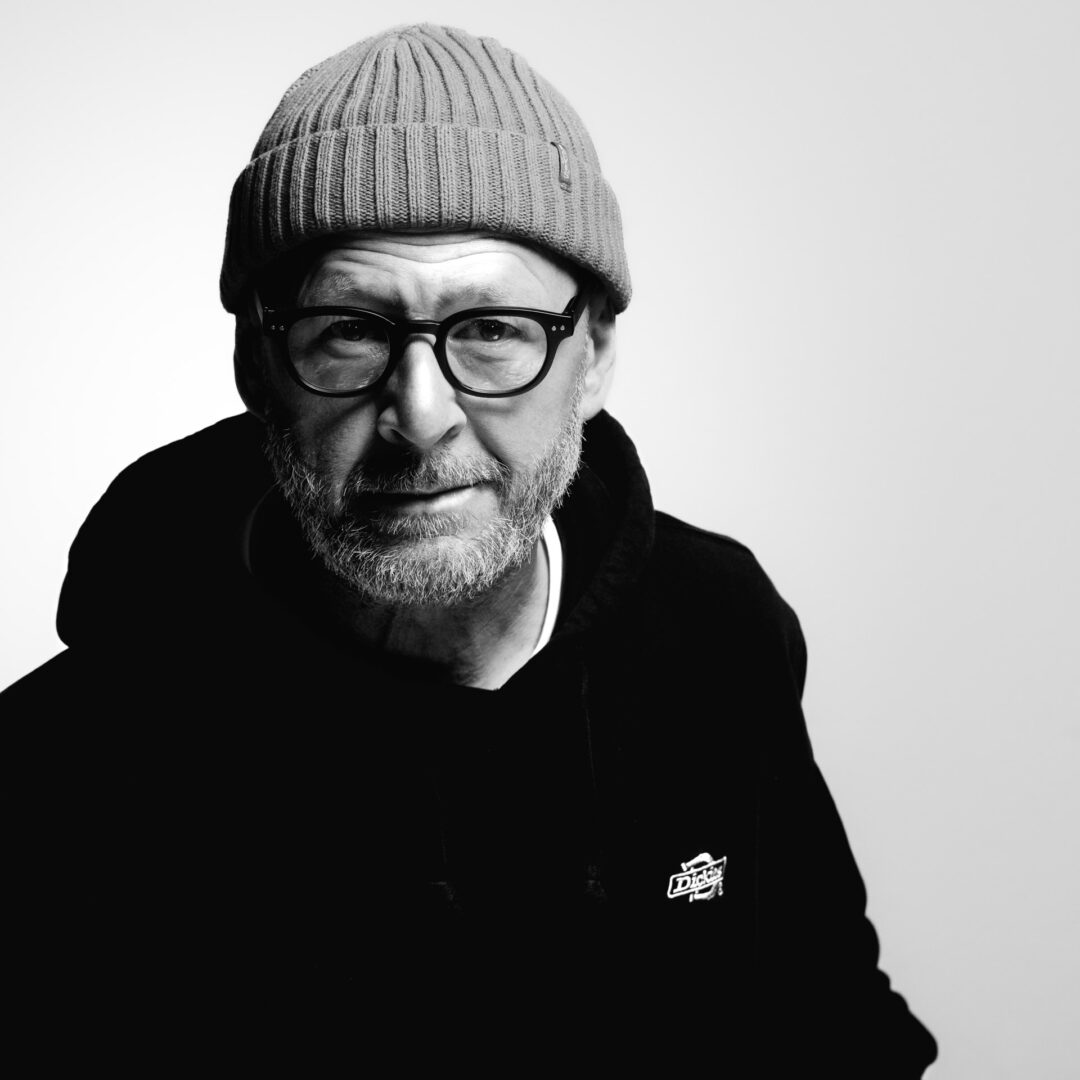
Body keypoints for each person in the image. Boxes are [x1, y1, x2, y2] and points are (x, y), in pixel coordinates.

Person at [4, 24, 937, 1073]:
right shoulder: (59, 771)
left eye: (491, 329)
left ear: (594, 355)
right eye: (349, 330)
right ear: (256, 365)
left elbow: (833, 1023)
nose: (420, 415)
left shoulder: (715, 629)